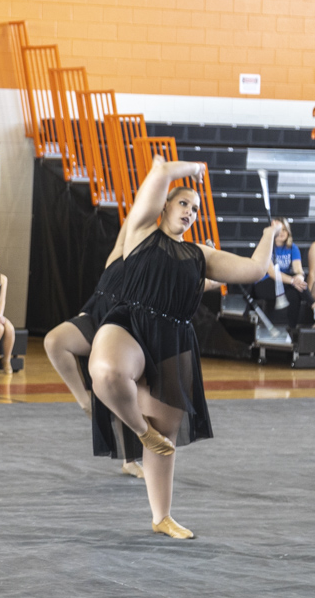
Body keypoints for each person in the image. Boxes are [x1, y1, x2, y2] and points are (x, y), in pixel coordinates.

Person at [88, 156, 278, 539]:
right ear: (164, 206)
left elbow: (255, 269)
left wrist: (270, 233)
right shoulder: (141, 231)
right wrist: (193, 168)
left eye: (195, 208)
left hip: (173, 338)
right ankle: (140, 431)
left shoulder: (200, 256)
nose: (190, 211)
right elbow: (160, 172)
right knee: (107, 372)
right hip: (130, 322)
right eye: (183, 203)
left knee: (167, 437)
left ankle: (162, 516)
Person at [43, 223, 145, 478]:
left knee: (119, 395)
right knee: (54, 341)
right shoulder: (117, 255)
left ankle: (130, 460)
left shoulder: (150, 270)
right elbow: (130, 224)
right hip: (94, 318)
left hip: (120, 330)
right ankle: (85, 402)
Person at [250, 219, 310, 328]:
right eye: (278, 230)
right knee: (294, 284)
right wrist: (293, 281)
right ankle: (313, 304)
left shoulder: (293, 248)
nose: (281, 233)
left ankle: (292, 329)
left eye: (284, 229)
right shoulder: (266, 247)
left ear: (288, 232)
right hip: (264, 285)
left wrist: (299, 277)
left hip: (284, 284)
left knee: (295, 294)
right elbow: (272, 273)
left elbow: (298, 269)